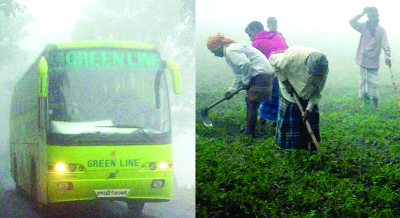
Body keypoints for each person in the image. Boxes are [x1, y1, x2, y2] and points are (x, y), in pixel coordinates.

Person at [206, 33, 274, 137]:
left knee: (252, 103)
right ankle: (249, 129)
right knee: (251, 102)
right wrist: (231, 90)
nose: (215, 55)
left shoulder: (230, 50)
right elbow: (239, 74)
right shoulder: (230, 51)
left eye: (214, 52)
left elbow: (246, 64)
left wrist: (246, 82)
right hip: (261, 73)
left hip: (260, 74)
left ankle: (249, 132)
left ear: (218, 47)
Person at [269, 45, 329, 150]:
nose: (315, 77)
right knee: (292, 113)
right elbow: (273, 62)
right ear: (307, 65)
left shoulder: (323, 69)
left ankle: (309, 144)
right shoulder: (290, 58)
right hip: (290, 86)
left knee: (310, 116)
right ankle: (291, 146)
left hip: (308, 92)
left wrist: (308, 109)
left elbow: (317, 92)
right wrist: (285, 82)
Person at [245, 21, 288, 129]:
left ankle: (265, 119)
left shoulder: (257, 42)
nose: (250, 38)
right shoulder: (278, 36)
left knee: (267, 94)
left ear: (255, 30)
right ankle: (277, 120)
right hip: (288, 70)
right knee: (282, 96)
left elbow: (252, 63)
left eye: (250, 34)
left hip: (274, 71)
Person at [349, 6, 391, 108]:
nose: (371, 18)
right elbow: (351, 22)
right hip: (362, 58)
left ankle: (375, 104)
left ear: (377, 16)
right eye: (369, 16)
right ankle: (364, 101)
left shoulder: (381, 30)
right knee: (363, 81)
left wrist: (387, 56)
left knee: (373, 82)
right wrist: (362, 12)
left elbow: (385, 44)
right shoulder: (364, 26)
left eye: (373, 16)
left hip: (373, 60)